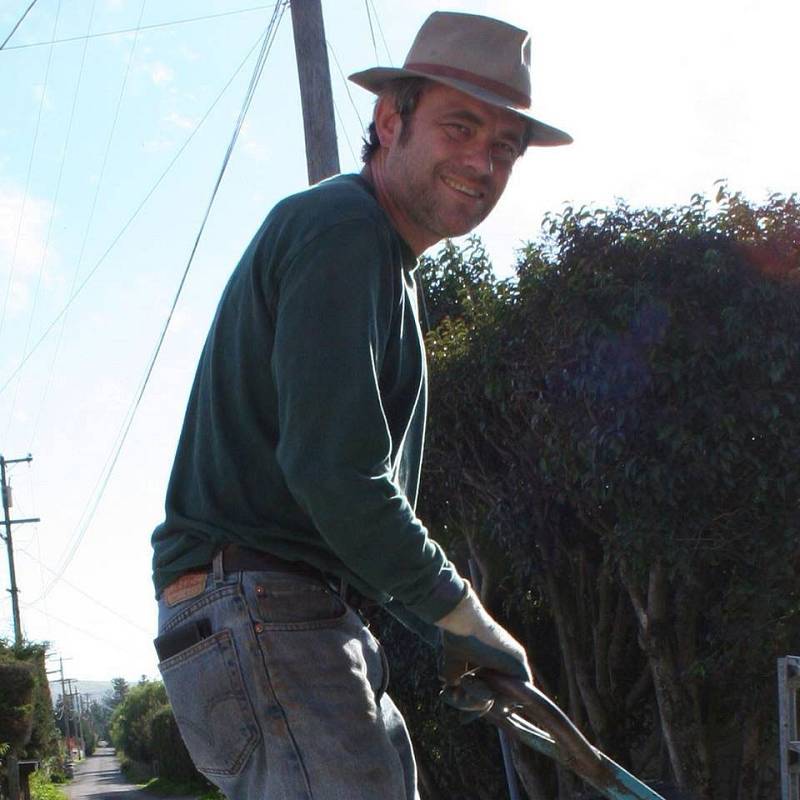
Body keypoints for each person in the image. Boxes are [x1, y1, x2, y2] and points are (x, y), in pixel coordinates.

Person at [151, 11, 571, 800]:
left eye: (505, 148)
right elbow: (335, 472)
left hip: (286, 614)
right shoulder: (343, 229)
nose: (483, 162)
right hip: (264, 608)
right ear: (390, 120)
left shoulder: (387, 266)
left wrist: (446, 635)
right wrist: (463, 613)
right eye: (459, 127)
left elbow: (339, 505)